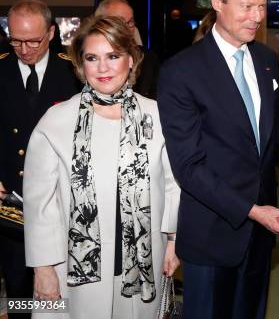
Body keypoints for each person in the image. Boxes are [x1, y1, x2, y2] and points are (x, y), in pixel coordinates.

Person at [157, 0, 279, 319]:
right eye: (247, 6)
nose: (257, 17)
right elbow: (189, 167)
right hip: (214, 234)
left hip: (260, 234)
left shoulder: (264, 60)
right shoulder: (181, 72)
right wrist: (252, 211)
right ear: (217, 2)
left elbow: (258, 134)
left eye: (262, 6)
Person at [22, 16, 181, 318]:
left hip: (143, 266)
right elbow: (39, 205)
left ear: (132, 60)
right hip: (72, 269)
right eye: (92, 58)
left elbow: (174, 185)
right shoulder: (56, 122)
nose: (103, 68)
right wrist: (42, 269)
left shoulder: (158, 117)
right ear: (81, 65)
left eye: (113, 56)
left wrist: (174, 241)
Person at [0, 0, 81, 313]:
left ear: (51, 32)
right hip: (10, 209)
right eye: (16, 40)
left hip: (60, 203)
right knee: (19, 291)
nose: (24, 49)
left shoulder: (74, 72)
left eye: (33, 40)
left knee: (58, 295)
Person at [95, 0, 161, 99]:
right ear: (100, 24)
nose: (127, 27)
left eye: (130, 21)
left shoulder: (147, 58)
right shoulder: (87, 59)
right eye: (119, 22)